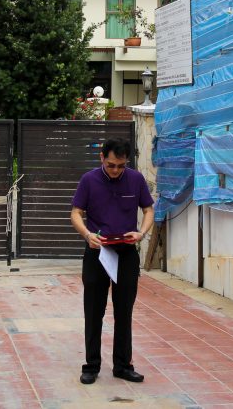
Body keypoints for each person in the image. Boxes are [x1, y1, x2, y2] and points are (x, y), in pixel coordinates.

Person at [70, 138, 154, 385]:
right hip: (97, 252)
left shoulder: (136, 180)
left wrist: (141, 233)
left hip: (126, 253)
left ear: (127, 162)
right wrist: (87, 234)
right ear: (101, 159)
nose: (115, 170)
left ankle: (123, 365)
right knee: (94, 310)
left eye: (120, 165)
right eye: (110, 165)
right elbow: (75, 212)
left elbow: (148, 209)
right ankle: (91, 365)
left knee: (124, 310)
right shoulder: (89, 180)